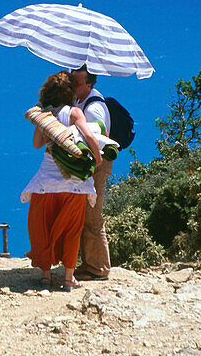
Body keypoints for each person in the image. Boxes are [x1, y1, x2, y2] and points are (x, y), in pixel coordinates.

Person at [21, 70, 103, 291]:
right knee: (72, 229)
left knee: (43, 227)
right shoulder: (75, 112)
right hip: (74, 184)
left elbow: (37, 144)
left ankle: (46, 277)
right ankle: (68, 278)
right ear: (70, 92)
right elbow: (89, 137)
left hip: (46, 182)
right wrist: (97, 158)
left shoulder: (43, 115)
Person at [69, 65, 112, 281]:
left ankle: (99, 268)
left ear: (90, 82)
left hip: (97, 163)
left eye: (78, 80)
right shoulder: (80, 99)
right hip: (92, 162)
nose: (74, 80)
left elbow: (97, 137)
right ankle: (89, 264)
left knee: (93, 214)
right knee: (86, 212)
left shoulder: (93, 107)